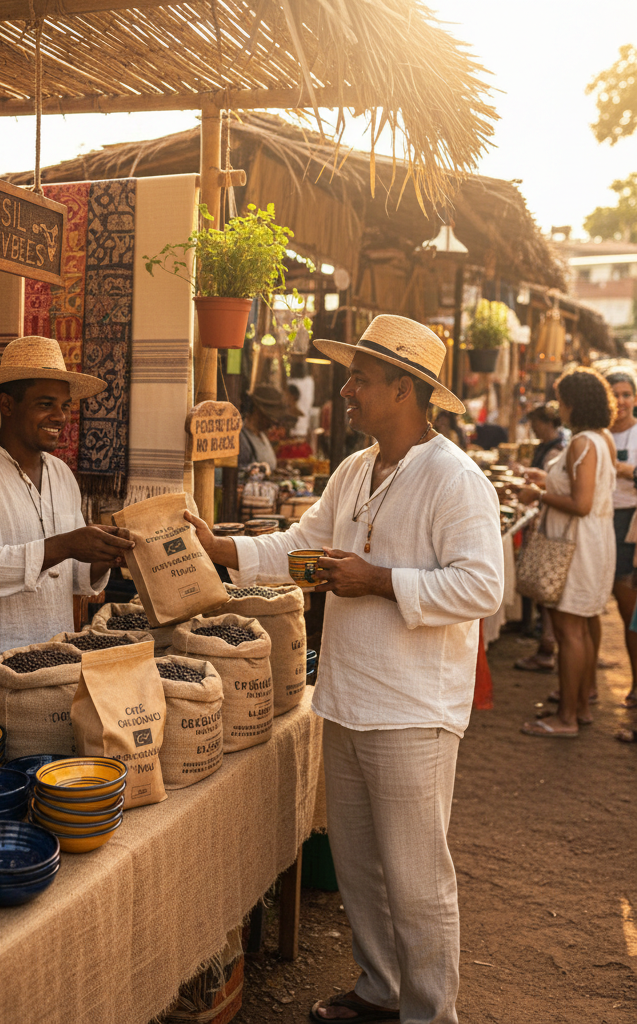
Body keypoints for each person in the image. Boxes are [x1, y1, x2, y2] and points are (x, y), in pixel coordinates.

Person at [186, 315, 503, 1024]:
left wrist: (381, 580)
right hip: (352, 694)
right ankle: (379, 989)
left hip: (415, 709)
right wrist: (220, 549)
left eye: (361, 378)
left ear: (404, 389)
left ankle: (428, 1013)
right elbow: (307, 544)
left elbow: (484, 588)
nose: (347, 390)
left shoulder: (455, 478)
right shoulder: (358, 468)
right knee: (360, 865)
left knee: (418, 881)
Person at [0, 336, 134, 718]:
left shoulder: (61, 475)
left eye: (64, 406)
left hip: (56, 667)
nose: (60, 417)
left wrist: (105, 555)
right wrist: (64, 544)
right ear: (7, 404)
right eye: (45, 405)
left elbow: (74, 578)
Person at [517, 367, 617, 737]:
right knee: (583, 626)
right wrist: (546, 480)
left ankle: (567, 718)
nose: (557, 406)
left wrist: (538, 494)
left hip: (575, 544)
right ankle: (580, 705)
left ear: (573, 403)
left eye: (561, 399)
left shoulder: (581, 443)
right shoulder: (601, 438)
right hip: (592, 540)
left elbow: (581, 502)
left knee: (569, 629)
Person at [513, 402, 569, 673]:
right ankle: (546, 642)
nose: (533, 426)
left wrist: (536, 491)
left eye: (535, 421)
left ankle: (547, 645)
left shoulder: (563, 447)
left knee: (547, 589)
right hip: (550, 523)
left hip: (554, 528)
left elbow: (575, 496)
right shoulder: (556, 446)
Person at [605, 371, 637, 709]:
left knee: (629, 610)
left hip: (629, 525)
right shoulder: (597, 434)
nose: (621, 401)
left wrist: (627, 471)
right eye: (614, 394)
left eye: (627, 394)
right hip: (598, 521)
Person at [238, 383, 285, 473]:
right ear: (258, 412)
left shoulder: (262, 436)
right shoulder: (243, 439)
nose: (272, 423)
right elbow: (241, 473)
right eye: (269, 417)